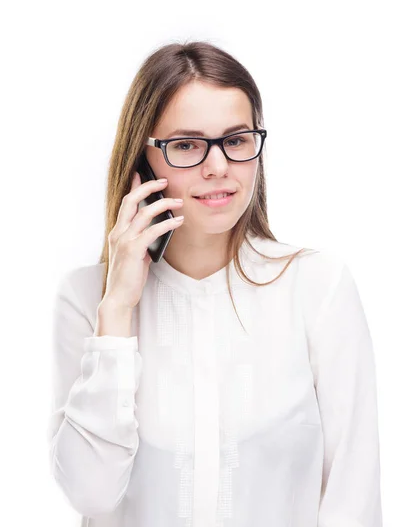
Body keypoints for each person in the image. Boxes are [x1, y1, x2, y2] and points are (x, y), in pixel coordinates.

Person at [47, 41, 383, 526]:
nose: (218, 165)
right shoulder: (86, 299)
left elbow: (355, 500)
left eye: (236, 139)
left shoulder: (317, 287)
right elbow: (91, 495)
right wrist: (117, 310)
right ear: (142, 161)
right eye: (186, 145)